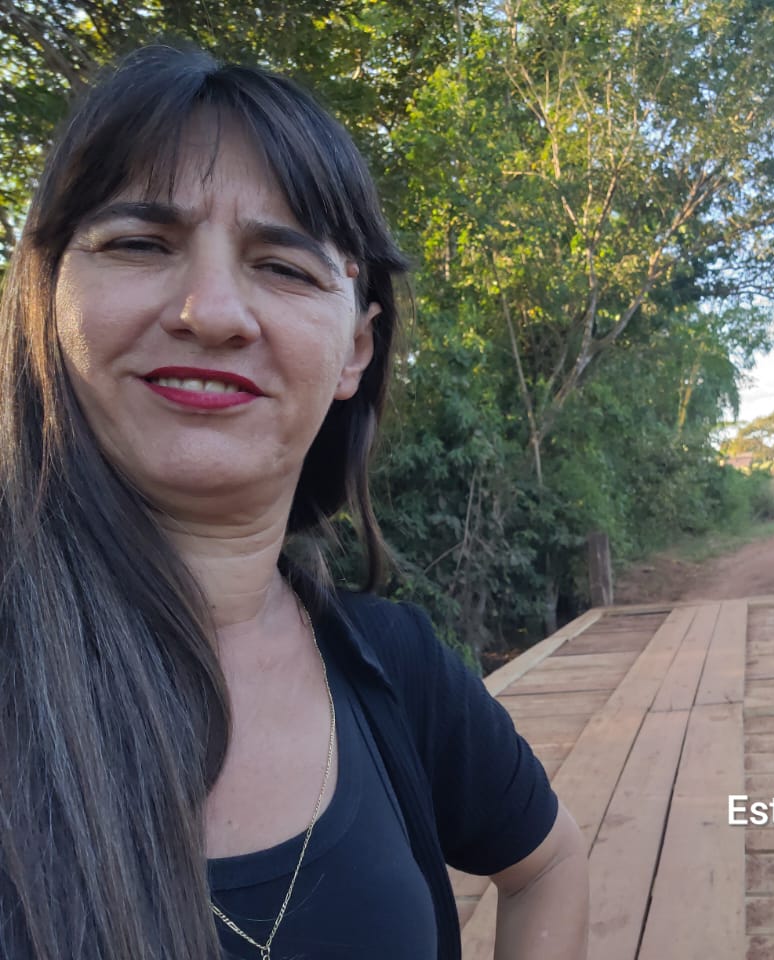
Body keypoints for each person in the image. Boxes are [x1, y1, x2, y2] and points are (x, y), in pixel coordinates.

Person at [0, 45, 588, 960]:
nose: (214, 311)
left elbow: (548, 862)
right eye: (140, 243)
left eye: (285, 266)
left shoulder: (393, 666)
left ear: (356, 349)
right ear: (45, 297)